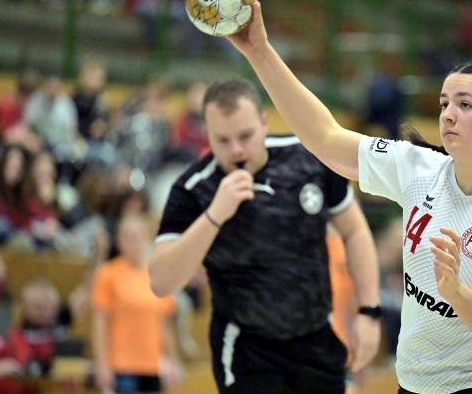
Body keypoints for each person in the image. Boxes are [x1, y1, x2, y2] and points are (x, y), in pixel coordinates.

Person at [226, 0, 472, 393]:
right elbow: (324, 138)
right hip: (416, 384)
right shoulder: (417, 168)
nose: (448, 114)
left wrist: (458, 294)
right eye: (445, 102)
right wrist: (259, 52)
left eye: (465, 105)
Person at [148, 80, 381, 394]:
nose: (237, 150)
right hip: (246, 349)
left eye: (245, 136)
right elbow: (161, 281)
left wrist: (368, 311)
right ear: (207, 135)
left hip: (315, 337)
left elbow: (354, 231)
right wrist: (215, 215)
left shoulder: (308, 158)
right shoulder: (193, 189)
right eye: (223, 140)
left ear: (263, 123)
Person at [92, 212, 181, 394]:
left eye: (137, 235)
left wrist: (173, 359)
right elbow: (100, 322)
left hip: (152, 364)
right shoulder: (108, 273)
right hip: (121, 364)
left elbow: (164, 323)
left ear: (147, 238)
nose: (133, 241)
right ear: (119, 240)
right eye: (127, 236)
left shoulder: (157, 275)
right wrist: (102, 363)